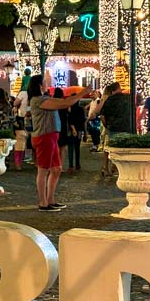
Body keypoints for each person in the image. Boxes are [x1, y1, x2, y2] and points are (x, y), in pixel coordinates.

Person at [28, 74, 95, 211]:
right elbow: (64, 103)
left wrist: (79, 95)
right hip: (44, 136)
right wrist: (82, 93)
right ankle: (43, 202)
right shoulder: (37, 100)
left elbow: (64, 102)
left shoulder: (45, 98)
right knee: (43, 169)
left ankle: (51, 199)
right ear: (40, 85)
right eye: (45, 82)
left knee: (56, 169)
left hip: (52, 135)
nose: (48, 84)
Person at [67, 96, 86, 172]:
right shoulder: (81, 109)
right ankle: (77, 164)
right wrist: (85, 132)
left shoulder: (70, 109)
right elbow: (83, 121)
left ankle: (71, 166)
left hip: (71, 131)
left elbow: (70, 121)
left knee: (70, 148)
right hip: (79, 131)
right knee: (77, 148)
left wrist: (73, 129)